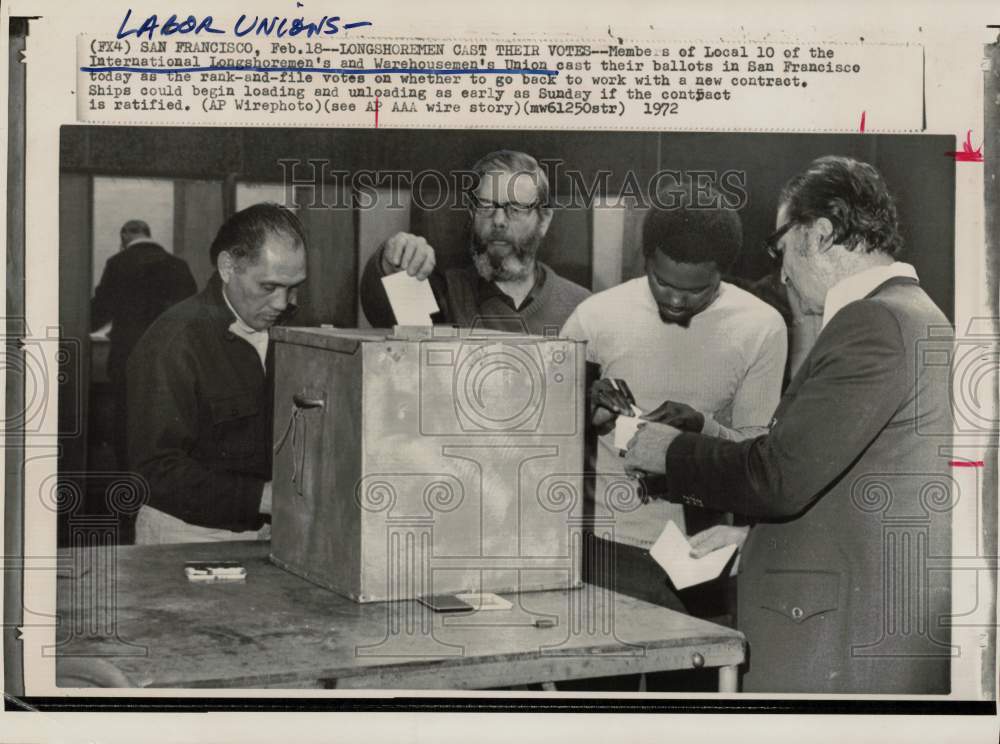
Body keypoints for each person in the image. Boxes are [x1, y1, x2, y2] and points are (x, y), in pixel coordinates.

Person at [624, 156, 953, 693]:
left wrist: (669, 452)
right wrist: (752, 539)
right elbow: (842, 482)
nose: (780, 271)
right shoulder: (910, 314)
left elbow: (779, 478)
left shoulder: (874, 322)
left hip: (838, 637)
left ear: (819, 235)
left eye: (781, 247)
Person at [560, 178, 787, 621]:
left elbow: (758, 456)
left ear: (723, 271)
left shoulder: (762, 327)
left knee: (693, 685)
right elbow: (546, 432)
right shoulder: (595, 315)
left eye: (697, 290)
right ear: (646, 260)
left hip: (702, 549)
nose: (678, 300)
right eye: (663, 283)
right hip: (605, 544)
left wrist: (701, 427)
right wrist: (584, 407)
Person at [126, 203, 307, 544]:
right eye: (268, 287)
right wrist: (262, 497)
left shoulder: (289, 330)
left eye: (294, 287)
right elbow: (153, 470)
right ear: (227, 267)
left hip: (271, 531)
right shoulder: (173, 341)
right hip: (187, 534)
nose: (282, 304)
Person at [360, 149, 590, 335]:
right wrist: (391, 263)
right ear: (472, 213)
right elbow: (381, 311)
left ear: (544, 220)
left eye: (516, 209)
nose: (499, 220)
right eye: (486, 206)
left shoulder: (582, 307)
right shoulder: (446, 294)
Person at [91, 220, 197, 469]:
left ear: (125, 235)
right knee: (167, 414)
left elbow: (101, 311)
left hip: (127, 355)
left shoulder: (118, 263)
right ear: (148, 234)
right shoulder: (178, 266)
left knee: (127, 417)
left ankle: (128, 476)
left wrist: (76, 323)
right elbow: (191, 313)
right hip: (172, 357)